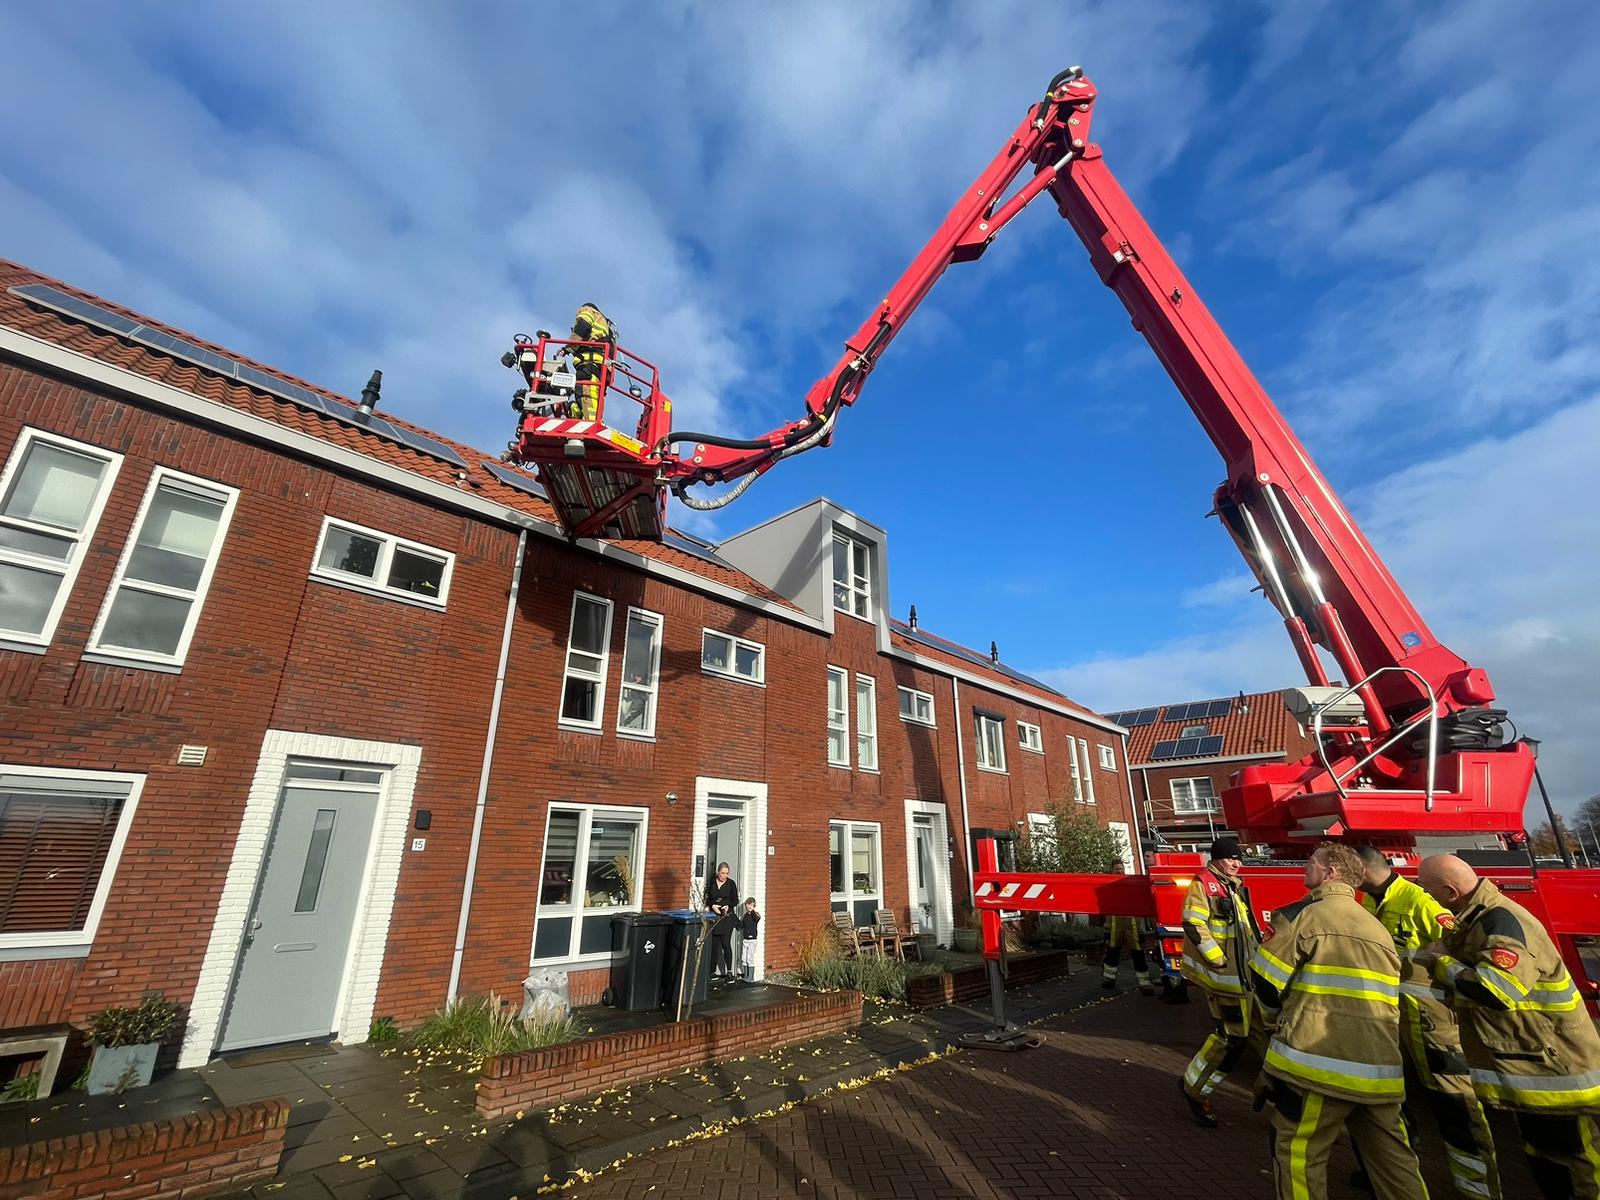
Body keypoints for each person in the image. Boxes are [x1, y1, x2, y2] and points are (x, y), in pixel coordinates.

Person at [1248, 843, 1428, 1200]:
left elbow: (1266, 984)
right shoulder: (1376, 929)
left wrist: (1276, 1032)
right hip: (1380, 1071)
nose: (1304, 868)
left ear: (1330, 872)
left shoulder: (1307, 916)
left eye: (1311, 863)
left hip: (1319, 1068)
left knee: (1299, 1154)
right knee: (1396, 1165)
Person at [1415, 853, 1600, 1199]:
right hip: (1536, 1066)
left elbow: (1497, 991)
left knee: (1577, 1161)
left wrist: (1443, 963)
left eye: (1428, 889)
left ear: (1451, 891)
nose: (1426, 896)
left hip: (1556, 1069)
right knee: (1546, 1157)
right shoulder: (1480, 919)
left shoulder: (1501, 922)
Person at [1355, 846, 1501, 1199]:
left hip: (1434, 1026)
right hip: (1394, 1021)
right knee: (1398, 1101)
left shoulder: (1421, 902)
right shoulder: (1374, 901)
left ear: (1362, 871)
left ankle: (1478, 1190)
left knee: (1455, 1108)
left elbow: (1461, 954)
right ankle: (1403, 1169)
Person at [1179, 836, 1265, 1127]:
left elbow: (1245, 931)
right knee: (1231, 1040)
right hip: (1226, 980)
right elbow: (1193, 922)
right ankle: (1194, 1088)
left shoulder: (1232, 887)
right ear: (1216, 858)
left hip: (1244, 979)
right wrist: (1217, 959)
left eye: (1239, 858)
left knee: (1261, 1037)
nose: (1237, 863)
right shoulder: (1203, 885)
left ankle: (1278, 1095)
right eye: (1231, 858)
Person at [569, 302, 616, 421]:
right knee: (591, 398)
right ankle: (576, 412)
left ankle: (590, 422)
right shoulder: (605, 325)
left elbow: (583, 326)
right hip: (600, 367)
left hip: (589, 363)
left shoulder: (587, 310)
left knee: (586, 395)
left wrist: (569, 347)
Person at [1102, 913, 1158, 995]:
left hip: (1130, 922)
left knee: (1137, 953)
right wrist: (1107, 929)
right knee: (1112, 951)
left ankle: (1145, 983)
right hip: (1117, 920)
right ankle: (1109, 979)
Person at [704, 861, 739, 981]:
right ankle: (711, 972)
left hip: (726, 917)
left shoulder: (731, 884)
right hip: (715, 916)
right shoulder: (712, 883)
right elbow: (707, 897)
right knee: (714, 945)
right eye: (723, 873)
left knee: (725, 943)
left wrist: (727, 906)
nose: (724, 876)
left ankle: (729, 972)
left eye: (726, 873)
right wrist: (712, 905)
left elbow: (735, 900)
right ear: (718, 872)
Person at [738, 897, 761, 983]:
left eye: (750, 907)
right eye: (747, 908)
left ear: (754, 907)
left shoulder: (756, 915)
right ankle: (746, 975)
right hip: (745, 939)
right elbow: (742, 925)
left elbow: (757, 919)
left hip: (752, 940)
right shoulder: (745, 916)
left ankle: (751, 977)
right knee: (744, 957)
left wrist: (753, 911)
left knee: (749, 957)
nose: (748, 909)